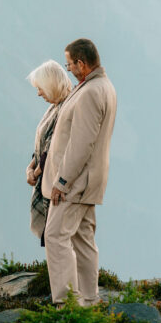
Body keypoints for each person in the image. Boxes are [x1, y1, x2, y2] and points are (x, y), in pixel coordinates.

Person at [42, 38, 117, 306]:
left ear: (82, 63)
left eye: (70, 64)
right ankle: (88, 298)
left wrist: (62, 181)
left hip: (76, 182)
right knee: (83, 239)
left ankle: (66, 303)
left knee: (55, 235)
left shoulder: (90, 92)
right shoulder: (102, 87)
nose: (69, 69)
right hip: (91, 181)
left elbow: (81, 143)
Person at [26, 60, 71, 245]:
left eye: (41, 88)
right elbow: (41, 146)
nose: (38, 93)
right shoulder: (54, 107)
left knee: (56, 238)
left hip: (54, 183)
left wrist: (34, 174)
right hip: (44, 177)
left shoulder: (64, 109)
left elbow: (52, 149)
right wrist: (30, 167)